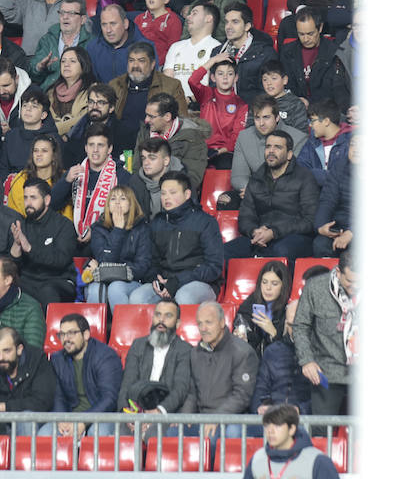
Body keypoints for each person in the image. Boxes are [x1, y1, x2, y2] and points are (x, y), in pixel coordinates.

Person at [212, 403, 347, 479]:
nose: (270, 431)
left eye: (276, 426)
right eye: (267, 426)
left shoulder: (317, 460)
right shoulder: (258, 458)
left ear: (292, 429)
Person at [131, 172, 224, 305]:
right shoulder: (157, 222)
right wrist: (156, 279)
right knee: (138, 298)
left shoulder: (205, 222)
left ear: (187, 195)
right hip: (166, 282)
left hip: (200, 283)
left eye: (173, 192)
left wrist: (178, 280)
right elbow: (151, 261)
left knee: (184, 297)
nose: (166, 198)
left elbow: (214, 266)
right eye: (163, 193)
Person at [232, 131, 320, 261]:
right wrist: (254, 231)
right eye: (268, 147)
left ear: (289, 154)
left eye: (277, 147)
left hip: (294, 237)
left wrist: (274, 232)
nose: (271, 151)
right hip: (261, 236)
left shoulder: (305, 178)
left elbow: (310, 221)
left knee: (281, 250)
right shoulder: (256, 178)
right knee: (225, 251)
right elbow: (246, 216)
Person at [292, 250, 356, 415]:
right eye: (349, 281)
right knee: (322, 430)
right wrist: (306, 360)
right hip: (326, 372)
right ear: (338, 272)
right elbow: (301, 325)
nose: (355, 286)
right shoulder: (315, 287)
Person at [42, 313, 123, 437]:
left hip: (102, 416)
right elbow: (57, 395)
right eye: (62, 334)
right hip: (69, 416)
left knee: (96, 433)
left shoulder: (105, 356)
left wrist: (83, 421)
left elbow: (109, 398)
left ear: (86, 335)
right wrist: (61, 418)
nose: (66, 339)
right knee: (44, 434)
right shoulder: (57, 359)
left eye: (71, 333)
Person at [187, 301, 259, 439]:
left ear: (221, 323)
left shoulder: (242, 352)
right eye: (200, 323)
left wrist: (216, 418)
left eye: (208, 322)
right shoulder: (195, 353)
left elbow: (241, 396)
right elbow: (191, 393)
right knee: (173, 432)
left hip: (231, 418)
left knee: (218, 435)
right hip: (202, 418)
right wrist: (185, 417)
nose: (203, 328)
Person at [9, 178, 79, 305]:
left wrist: (30, 249)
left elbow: (60, 261)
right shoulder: (21, 226)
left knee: (47, 291)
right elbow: (14, 268)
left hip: (58, 280)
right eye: (25, 198)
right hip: (29, 281)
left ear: (47, 200)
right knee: (6, 289)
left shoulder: (64, 225)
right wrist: (16, 247)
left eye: (33, 198)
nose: (28, 203)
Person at [83, 186, 151, 306]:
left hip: (132, 281)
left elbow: (142, 267)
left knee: (116, 287)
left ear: (131, 204)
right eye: (113, 199)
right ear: (108, 205)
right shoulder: (98, 228)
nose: (117, 202)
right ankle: (96, 325)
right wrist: (118, 231)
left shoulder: (141, 228)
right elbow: (104, 260)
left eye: (123, 198)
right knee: (94, 290)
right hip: (102, 279)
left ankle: (122, 325)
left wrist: (116, 271)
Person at [233, 261, 294, 357]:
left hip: (277, 362)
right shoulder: (249, 304)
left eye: (274, 284)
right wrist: (243, 336)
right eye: (264, 282)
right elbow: (243, 329)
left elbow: (290, 351)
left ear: (283, 286)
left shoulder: (289, 310)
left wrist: (273, 333)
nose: (268, 288)